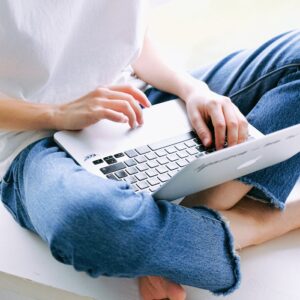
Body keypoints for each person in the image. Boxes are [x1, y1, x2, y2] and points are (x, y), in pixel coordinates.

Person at [0, 1, 299, 299]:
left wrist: (193, 89)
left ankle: (186, 232)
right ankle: (259, 223)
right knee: (90, 224)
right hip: (33, 141)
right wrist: (57, 113)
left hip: (137, 100)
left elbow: (126, 33)